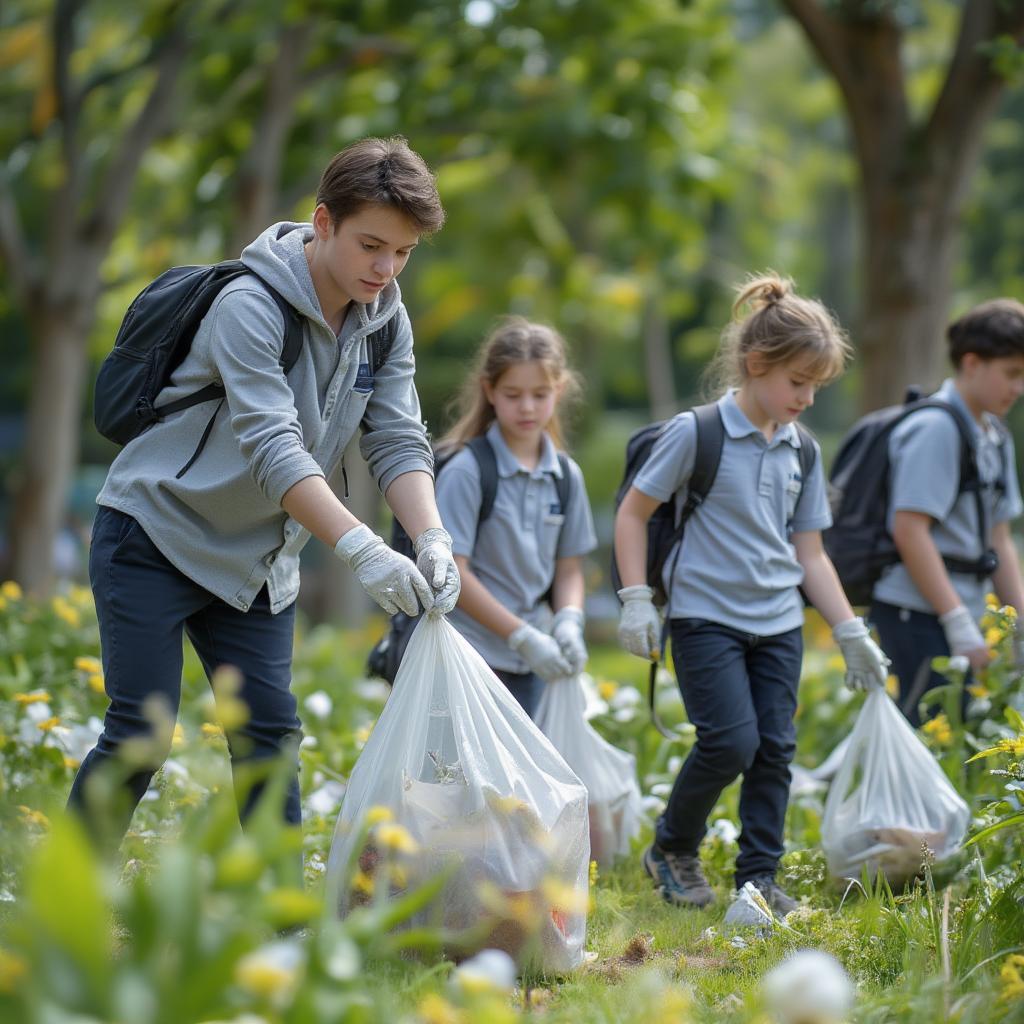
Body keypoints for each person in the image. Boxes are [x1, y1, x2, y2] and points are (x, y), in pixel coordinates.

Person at [68, 136, 460, 846]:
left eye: (402, 253)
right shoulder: (249, 305)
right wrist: (365, 551)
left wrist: (431, 536)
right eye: (372, 245)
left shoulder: (385, 321)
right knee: (142, 732)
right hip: (156, 533)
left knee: (270, 740)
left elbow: (398, 438)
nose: (386, 268)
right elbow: (274, 449)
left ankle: (281, 937)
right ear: (322, 221)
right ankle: (60, 908)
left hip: (255, 564)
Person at [614, 273, 890, 914]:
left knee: (775, 749)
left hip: (778, 622)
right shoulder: (698, 433)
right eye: (798, 382)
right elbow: (633, 513)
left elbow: (811, 555)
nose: (807, 398)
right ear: (755, 364)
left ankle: (759, 876)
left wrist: (850, 632)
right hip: (704, 618)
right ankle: (672, 847)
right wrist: (634, 597)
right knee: (731, 742)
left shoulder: (804, 451)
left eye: (816, 386)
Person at [432, 317, 597, 718]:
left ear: (558, 391)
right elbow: (454, 572)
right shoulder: (468, 471)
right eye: (513, 394)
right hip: (470, 655)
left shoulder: (565, 476)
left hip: (534, 662)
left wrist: (569, 620)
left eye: (540, 394)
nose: (527, 407)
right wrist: (519, 634)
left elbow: (570, 568)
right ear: (490, 391)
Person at [870, 299, 1024, 725]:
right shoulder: (936, 429)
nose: (1019, 388)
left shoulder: (993, 434)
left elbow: (999, 537)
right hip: (916, 610)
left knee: (950, 731)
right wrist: (956, 621)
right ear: (972, 363)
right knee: (923, 729)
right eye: (1012, 373)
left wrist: (1019, 620)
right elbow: (909, 530)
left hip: (961, 607)